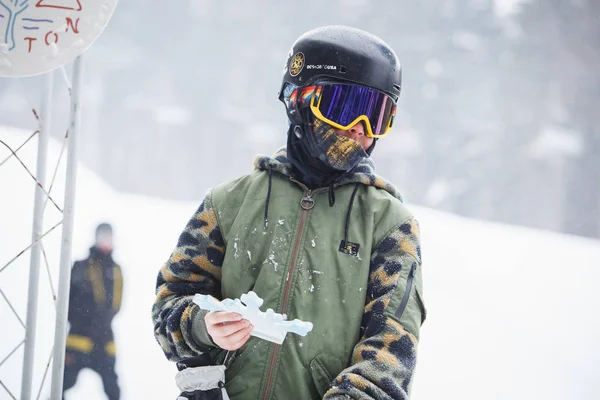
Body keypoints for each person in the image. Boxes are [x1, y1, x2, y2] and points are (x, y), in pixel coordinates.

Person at [152, 25, 426, 400]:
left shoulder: (388, 224)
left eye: (376, 118)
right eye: (347, 110)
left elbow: (391, 351)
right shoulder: (230, 202)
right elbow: (173, 299)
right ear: (300, 100)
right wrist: (201, 324)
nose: (360, 132)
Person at [63, 223, 123, 400]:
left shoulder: (116, 270)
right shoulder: (80, 265)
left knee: (113, 389)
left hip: (104, 339)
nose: (105, 241)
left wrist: (99, 324)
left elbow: (116, 306)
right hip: (77, 337)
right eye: (101, 236)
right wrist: (80, 321)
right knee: (61, 383)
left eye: (108, 237)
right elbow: (67, 301)